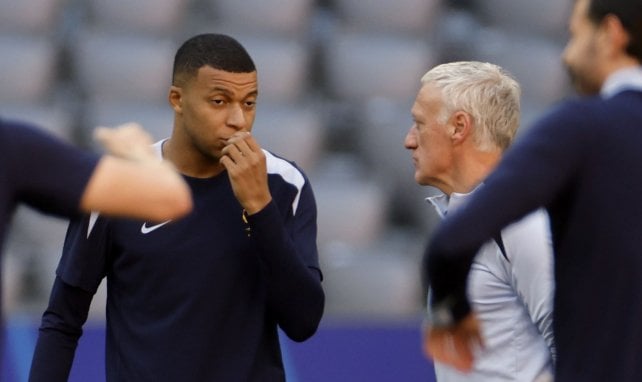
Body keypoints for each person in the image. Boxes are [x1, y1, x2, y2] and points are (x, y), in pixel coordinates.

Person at [29, 33, 324, 382]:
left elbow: (304, 322)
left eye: (248, 103)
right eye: (219, 101)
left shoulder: (285, 184)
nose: (238, 121)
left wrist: (259, 207)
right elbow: (63, 320)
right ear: (177, 99)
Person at [423, 1, 642, 381]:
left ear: (611, 34)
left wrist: (451, 312)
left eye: (576, 35)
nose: (568, 54)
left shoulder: (583, 128)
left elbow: (452, 243)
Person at [405, 61, 555, 381]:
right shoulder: (468, 218)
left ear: (459, 127)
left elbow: (576, 345)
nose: (409, 140)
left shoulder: (521, 223)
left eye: (419, 124)